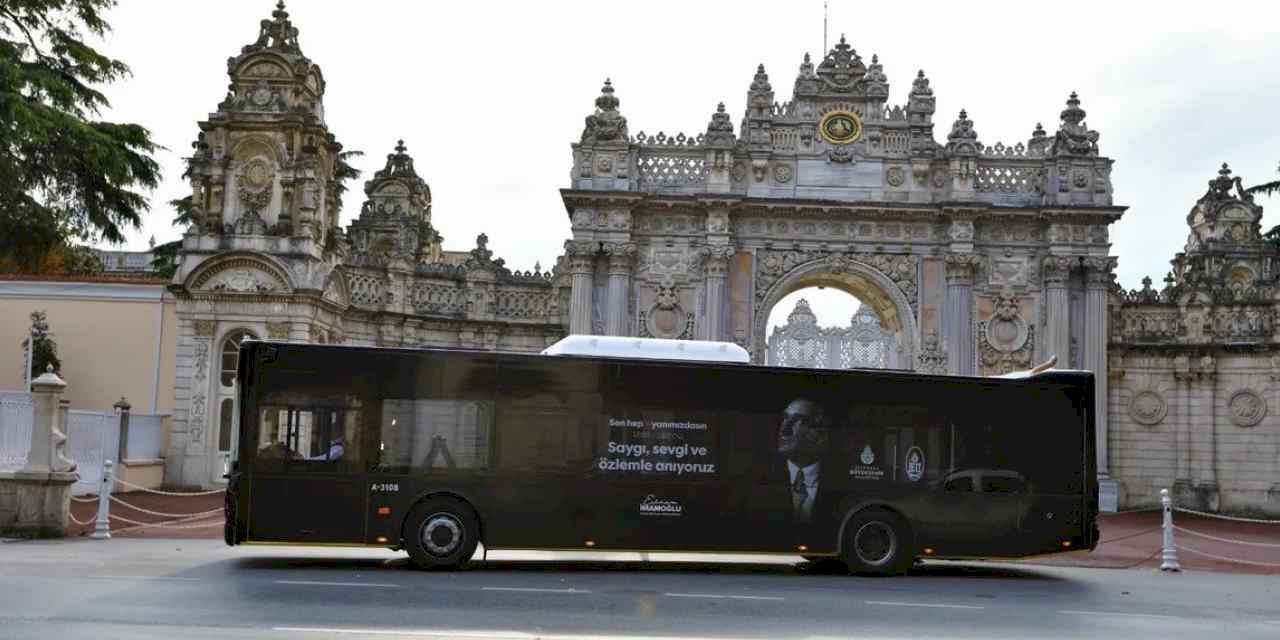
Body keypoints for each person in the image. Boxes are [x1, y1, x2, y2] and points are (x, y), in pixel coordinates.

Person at [776, 398, 833, 529]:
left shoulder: (841, 480)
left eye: (798, 420)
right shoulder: (758, 477)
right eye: (785, 418)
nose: (784, 429)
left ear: (821, 434)